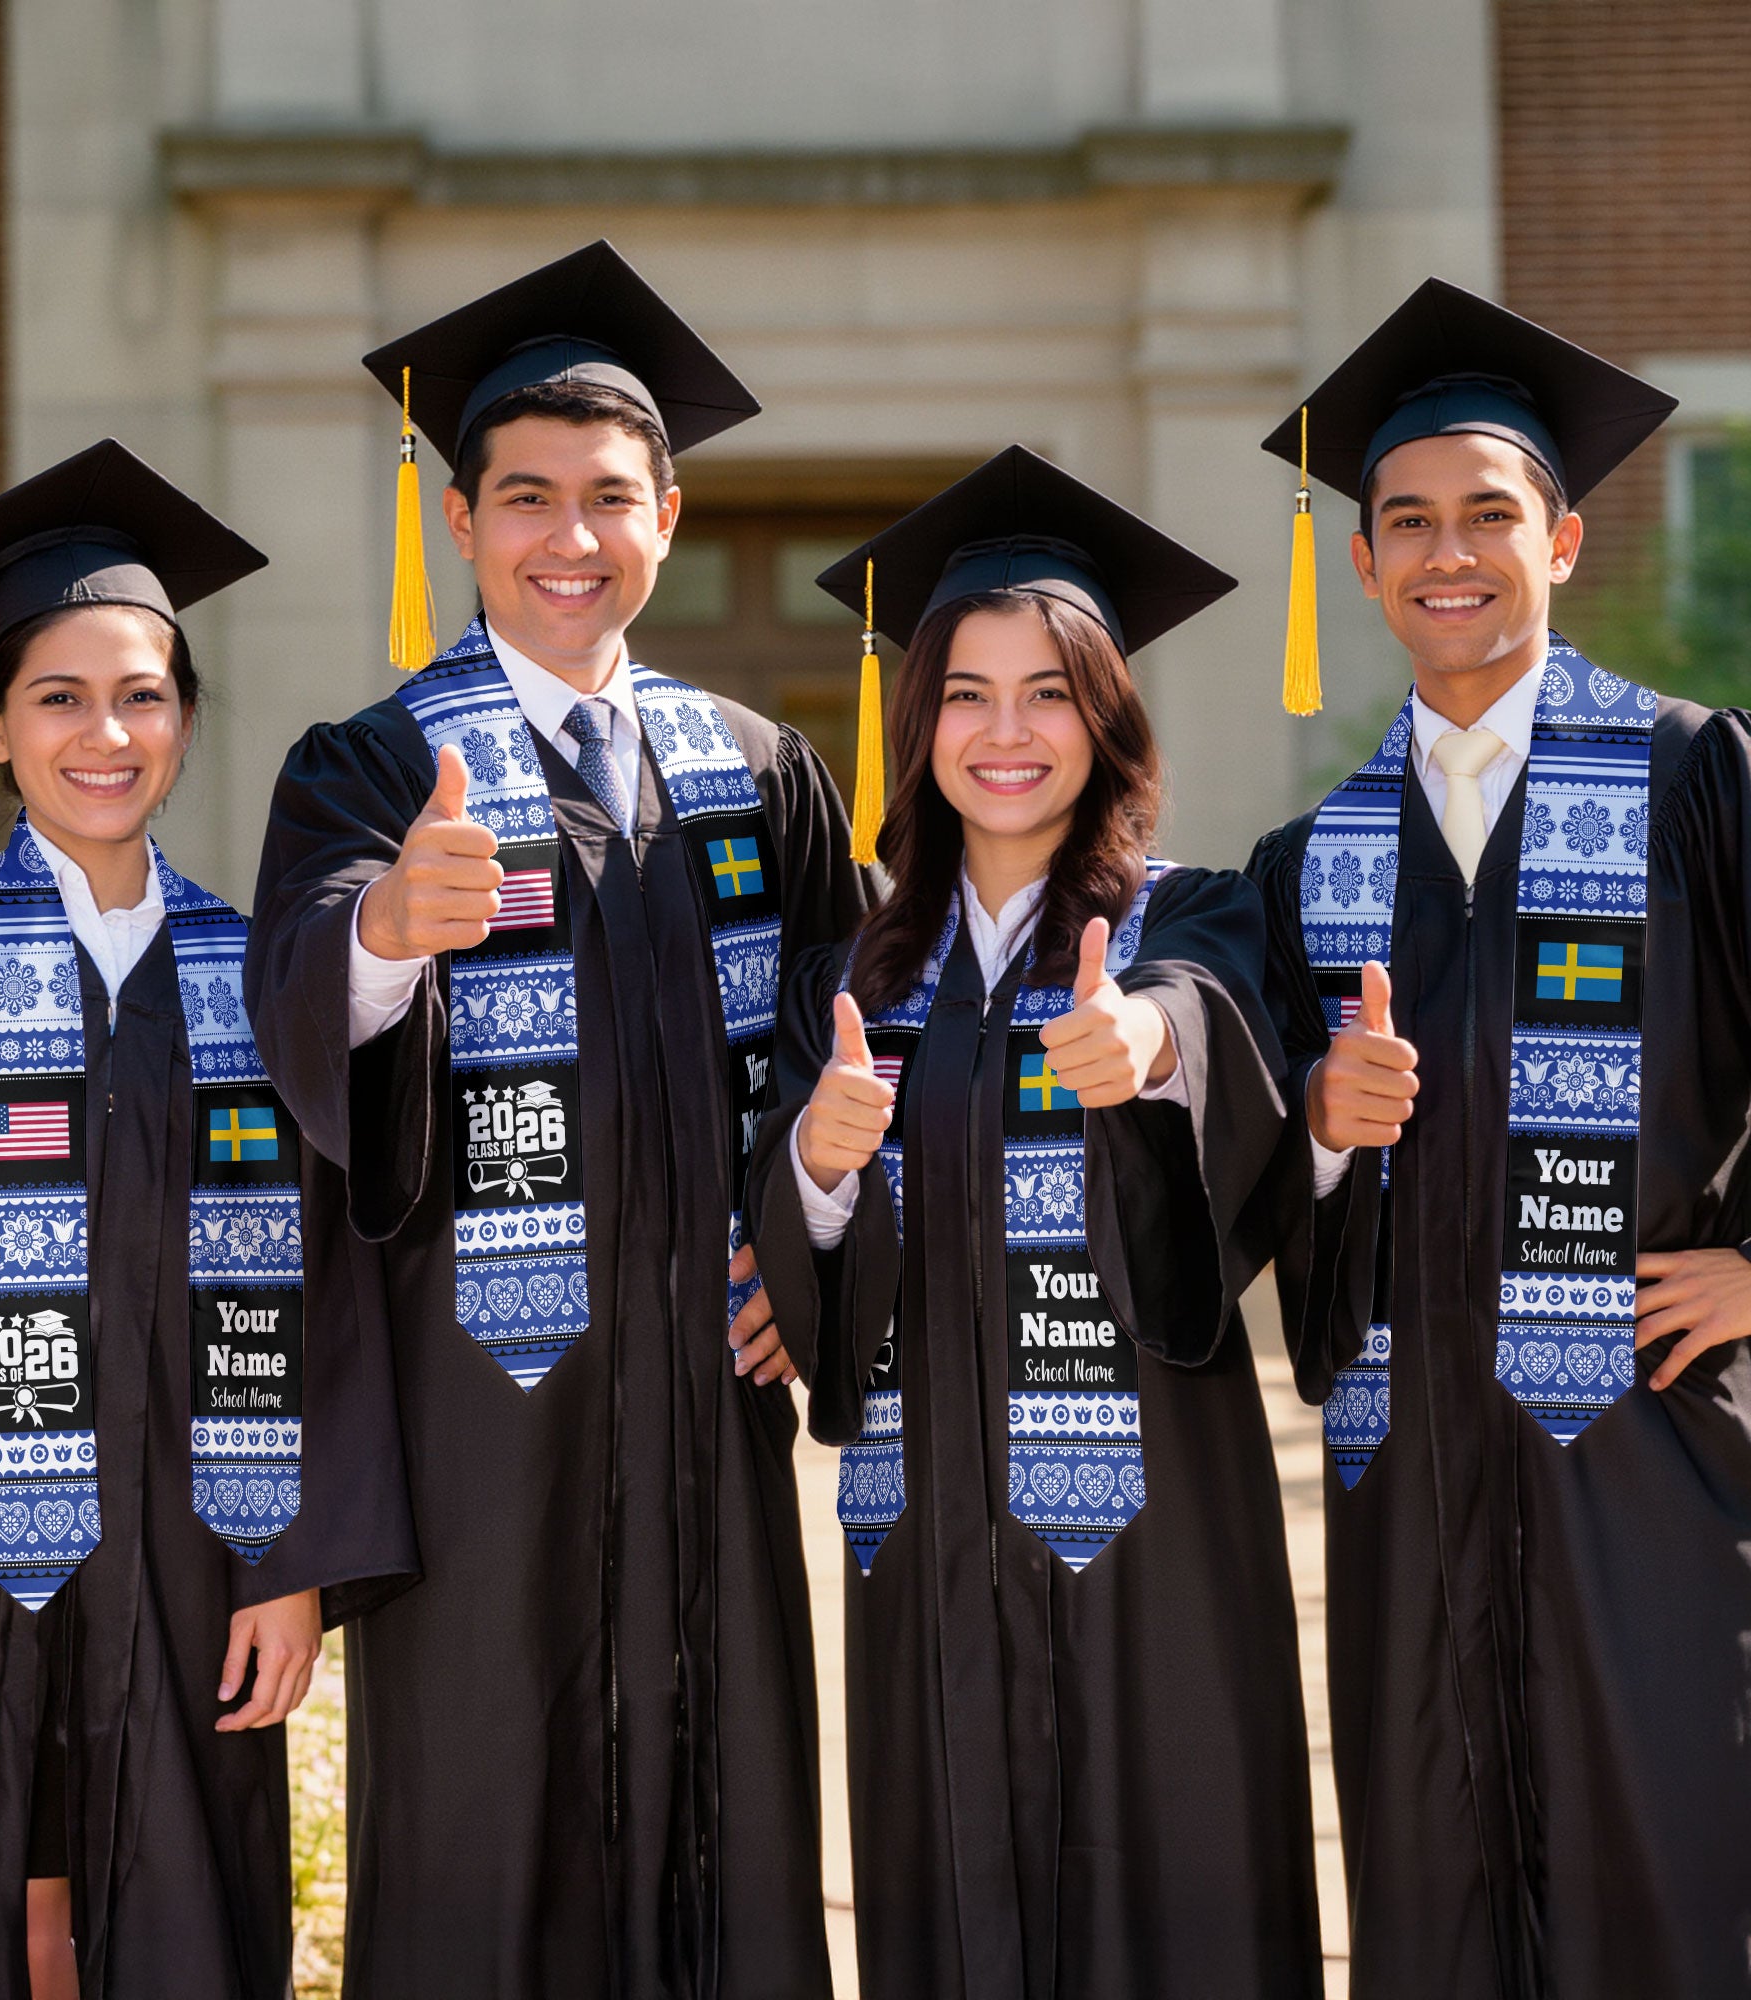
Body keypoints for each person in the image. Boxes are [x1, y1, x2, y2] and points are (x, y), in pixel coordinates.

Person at [246, 241, 870, 1998]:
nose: (569, 538)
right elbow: (295, 996)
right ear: (461, 521)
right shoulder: (373, 766)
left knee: (725, 1814)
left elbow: (862, 1041)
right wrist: (383, 931)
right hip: (483, 1415)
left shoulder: (758, 765)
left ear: (668, 515)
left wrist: (807, 1247)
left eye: (611, 498)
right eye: (527, 498)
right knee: (485, 1832)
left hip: (705, 1401)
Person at [0, 440, 413, 1999]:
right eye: (56, 696)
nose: (103, 733)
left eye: (142, 695)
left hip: (195, 1550)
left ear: (185, 720)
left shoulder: (261, 975)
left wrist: (298, 1561)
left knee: (172, 1903)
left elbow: (333, 1286)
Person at [744, 446, 1322, 1998]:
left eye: (1051, 691)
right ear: (917, 719)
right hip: (928, 1526)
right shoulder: (852, 980)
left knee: (1176, 1892)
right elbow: (804, 1268)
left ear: (1109, 717)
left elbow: (1217, 1032)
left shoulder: (1191, 917)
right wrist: (815, 1160)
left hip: (1154, 1529)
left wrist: (1148, 1050)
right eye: (968, 693)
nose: (1008, 733)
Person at [1249, 279, 1751, 1998]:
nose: (1445, 552)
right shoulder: (1314, 860)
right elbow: (1250, 1183)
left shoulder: (1693, 778)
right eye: (1406, 522)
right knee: (1433, 1884)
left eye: (1488, 515)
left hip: (1651, 1450)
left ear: (1565, 539)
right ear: (1368, 562)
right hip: (1414, 1477)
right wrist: (1317, 1130)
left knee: (1670, 1871)